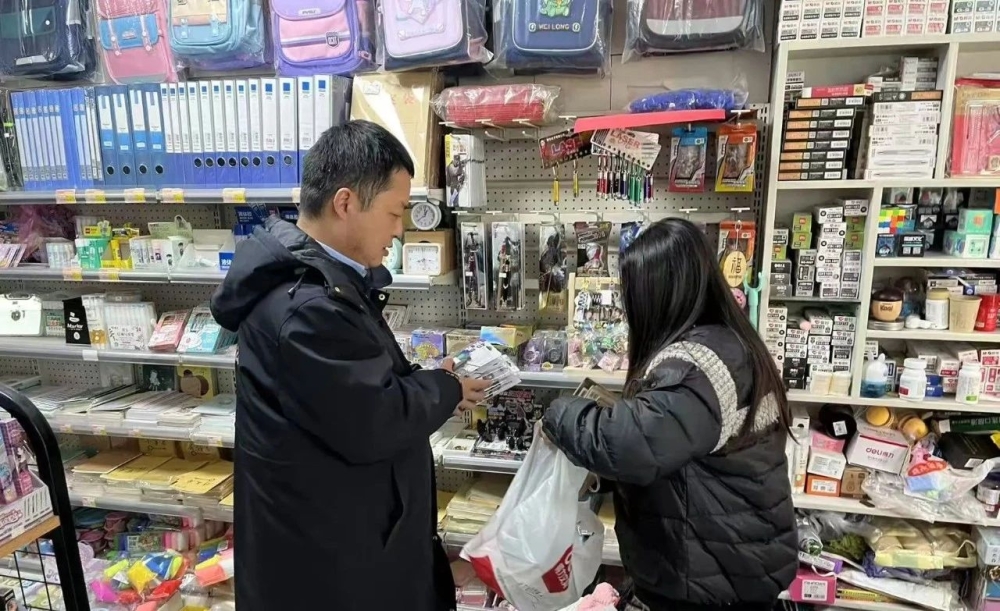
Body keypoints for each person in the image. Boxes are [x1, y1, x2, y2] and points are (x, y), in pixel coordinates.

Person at [210, 120, 490, 611]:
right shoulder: (306, 309)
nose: (399, 230)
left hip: (338, 549)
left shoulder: (325, 287)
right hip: (327, 572)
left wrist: (426, 380)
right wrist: (445, 387)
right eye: (394, 213)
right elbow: (375, 419)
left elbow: (355, 391)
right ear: (345, 203)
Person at [542, 218, 797, 611]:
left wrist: (559, 411)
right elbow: (679, 453)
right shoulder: (730, 342)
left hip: (711, 583)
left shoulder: (696, 367)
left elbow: (631, 444)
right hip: (729, 566)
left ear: (656, 295)